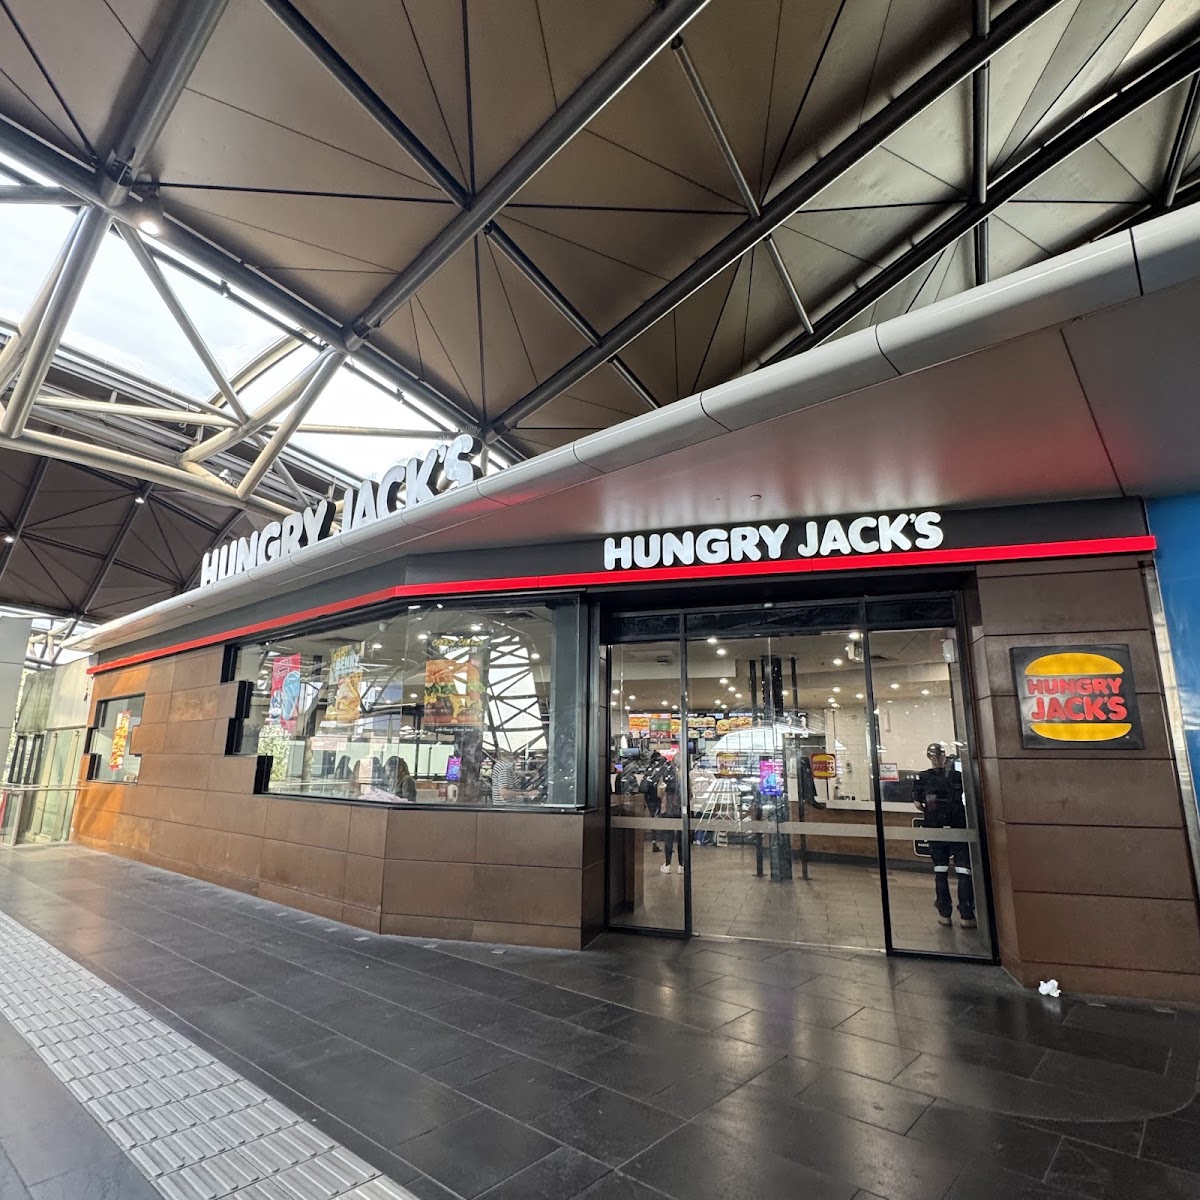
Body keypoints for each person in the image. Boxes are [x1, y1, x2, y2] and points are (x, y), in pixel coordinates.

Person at [913, 742, 975, 928]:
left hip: (935, 828)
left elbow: (917, 804)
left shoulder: (922, 777)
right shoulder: (957, 776)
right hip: (958, 827)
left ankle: (944, 913)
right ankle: (966, 914)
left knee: (940, 871)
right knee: (963, 872)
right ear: (944, 756)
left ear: (928, 757)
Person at [659, 760, 684, 875]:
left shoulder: (665, 774)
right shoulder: (683, 775)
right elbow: (690, 793)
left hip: (667, 810)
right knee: (681, 838)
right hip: (680, 810)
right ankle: (681, 866)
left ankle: (668, 865)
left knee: (668, 838)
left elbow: (659, 793)